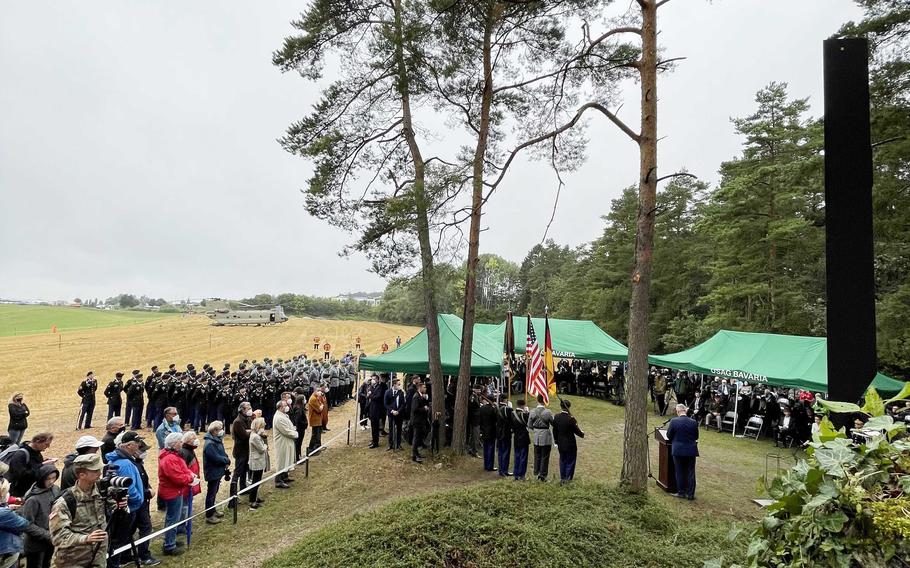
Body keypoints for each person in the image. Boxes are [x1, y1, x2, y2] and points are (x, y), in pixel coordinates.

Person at [49, 453, 126, 568]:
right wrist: (86, 538)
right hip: (72, 561)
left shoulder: (102, 491)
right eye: (95, 471)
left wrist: (121, 506)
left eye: (99, 470)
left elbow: (117, 513)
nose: (100, 474)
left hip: (98, 557)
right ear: (82, 475)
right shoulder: (65, 502)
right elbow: (58, 537)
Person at [105, 431, 147, 568]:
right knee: (118, 542)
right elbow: (129, 487)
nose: (139, 445)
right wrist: (138, 500)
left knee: (118, 540)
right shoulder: (125, 464)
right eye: (137, 443)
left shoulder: (117, 460)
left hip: (121, 506)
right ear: (129, 445)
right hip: (127, 508)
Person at [157, 432, 197, 557]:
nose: (182, 444)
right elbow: (177, 477)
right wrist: (189, 478)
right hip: (172, 492)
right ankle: (169, 545)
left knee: (174, 517)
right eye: (180, 442)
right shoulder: (169, 459)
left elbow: (182, 470)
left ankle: (171, 540)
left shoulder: (174, 455)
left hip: (176, 490)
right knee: (172, 519)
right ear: (174, 444)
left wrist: (190, 474)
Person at [18, 463, 58, 568]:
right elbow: (27, 524)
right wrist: (48, 535)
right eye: (48, 478)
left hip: (51, 542)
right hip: (36, 545)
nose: (51, 481)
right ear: (41, 478)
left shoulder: (55, 489)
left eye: (54, 478)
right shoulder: (32, 499)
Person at [5, 433, 55, 499]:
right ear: (38, 441)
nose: (48, 446)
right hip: (19, 494)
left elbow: (34, 466)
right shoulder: (20, 454)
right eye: (46, 444)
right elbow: (21, 475)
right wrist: (42, 465)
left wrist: (45, 463)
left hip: (31, 491)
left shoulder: (37, 453)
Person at [666, 403, 698, 500]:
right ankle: (690, 494)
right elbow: (696, 436)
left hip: (678, 450)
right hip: (691, 450)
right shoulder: (693, 422)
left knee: (679, 471)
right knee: (690, 472)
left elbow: (669, 435)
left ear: (678, 411)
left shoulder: (674, 421)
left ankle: (681, 492)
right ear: (685, 410)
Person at [202, 421, 230, 523]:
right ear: (214, 431)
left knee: (214, 492)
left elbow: (222, 452)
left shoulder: (216, 440)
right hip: (212, 471)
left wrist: (226, 458)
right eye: (220, 429)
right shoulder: (209, 444)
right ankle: (209, 515)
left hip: (217, 471)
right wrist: (226, 460)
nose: (222, 431)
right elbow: (215, 458)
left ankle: (213, 510)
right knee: (211, 493)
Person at [551, 399, 585, 484]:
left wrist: (556, 441)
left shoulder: (556, 417)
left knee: (562, 460)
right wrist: (582, 434)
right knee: (570, 462)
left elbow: (554, 430)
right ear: (568, 407)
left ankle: (563, 478)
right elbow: (577, 431)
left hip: (561, 443)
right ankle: (568, 479)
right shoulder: (571, 419)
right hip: (570, 444)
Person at [1, 478, 30, 568]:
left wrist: (7, 507)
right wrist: (11, 512)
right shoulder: (4, 513)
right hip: (6, 550)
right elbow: (24, 523)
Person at [229, 402, 252, 508]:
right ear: (242, 410)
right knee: (238, 471)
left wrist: (249, 431)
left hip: (246, 449)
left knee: (244, 470)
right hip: (240, 450)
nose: (250, 409)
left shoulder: (246, 419)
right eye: (248, 408)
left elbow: (249, 431)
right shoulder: (238, 421)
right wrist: (251, 431)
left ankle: (243, 488)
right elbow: (244, 435)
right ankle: (233, 494)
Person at [527, 395, 554, 482]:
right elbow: (553, 423)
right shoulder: (548, 412)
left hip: (536, 436)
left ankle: (536, 472)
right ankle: (542, 475)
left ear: (537, 400)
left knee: (537, 455)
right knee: (545, 456)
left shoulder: (532, 411)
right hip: (545, 435)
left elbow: (529, 425)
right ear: (544, 400)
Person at [272, 401, 298, 489]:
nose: (287, 407)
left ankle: (285, 476)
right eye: (285, 405)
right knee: (282, 460)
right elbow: (285, 431)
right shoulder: (278, 418)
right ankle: (278, 480)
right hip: (282, 442)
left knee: (287, 458)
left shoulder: (284, 415)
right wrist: (295, 433)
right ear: (280, 407)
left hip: (287, 441)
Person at [247, 418, 268, 508]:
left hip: (258, 460)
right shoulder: (255, 437)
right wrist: (266, 446)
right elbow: (262, 449)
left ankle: (255, 497)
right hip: (256, 461)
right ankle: (252, 500)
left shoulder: (255, 435)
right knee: (255, 481)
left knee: (257, 480)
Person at [511, 399, 531, 481]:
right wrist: (527, 412)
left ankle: (516, 474)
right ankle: (522, 475)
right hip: (524, 437)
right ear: (523, 405)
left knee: (517, 456)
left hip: (516, 437)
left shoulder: (512, 414)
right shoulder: (524, 415)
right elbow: (529, 423)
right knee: (523, 457)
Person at [410, 383, 430, 463]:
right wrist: (424, 408)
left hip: (421, 420)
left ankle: (417, 453)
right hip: (417, 421)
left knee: (419, 437)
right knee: (416, 438)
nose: (426, 389)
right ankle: (414, 455)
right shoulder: (416, 396)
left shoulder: (421, 395)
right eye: (424, 387)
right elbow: (415, 409)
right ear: (420, 388)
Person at [384, 379, 405, 451]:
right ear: (394, 385)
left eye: (400, 384)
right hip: (391, 414)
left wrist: (398, 411)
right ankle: (390, 444)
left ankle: (398, 444)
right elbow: (385, 404)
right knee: (391, 429)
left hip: (399, 414)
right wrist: (392, 411)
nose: (400, 386)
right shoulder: (388, 392)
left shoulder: (401, 392)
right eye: (398, 384)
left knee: (399, 429)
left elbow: (403, 404)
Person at [478, 398, 497, 472]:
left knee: (485, 448)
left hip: (484, 430)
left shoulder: (482, 408)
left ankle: (486, 465)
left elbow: (480, 419)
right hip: (491, 430)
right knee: (491, 449)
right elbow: (495, 419)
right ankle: (490, 466)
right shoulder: (493, 409)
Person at [495, 398, 512, 477]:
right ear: (505, 400)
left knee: (500, 452)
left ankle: (501, 470)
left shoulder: (496, 408)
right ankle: (504, 470)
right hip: (506, 433)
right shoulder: (507, 409)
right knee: (505, 452)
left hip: (499, 432)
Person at [306, 389, 325, 456]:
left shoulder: (316, 397)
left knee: (318, 433)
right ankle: (311, 449)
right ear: (315, 391)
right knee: (315, 434)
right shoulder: (313, 399)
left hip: (318, 419)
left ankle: (317, 447)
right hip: (314, 419)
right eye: (318, 391)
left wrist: (321, 406)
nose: (320, 392)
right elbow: (319, 409)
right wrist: (321, 406)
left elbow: (321, 404)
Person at [288, 396, 308, 462]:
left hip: (299, 429)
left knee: (298, 444)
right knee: (298, 443)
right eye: (304, 399)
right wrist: (304, 424)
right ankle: (297, 458)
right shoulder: (299, 409)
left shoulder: (299, 407)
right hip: (299, 429)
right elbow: (297, 420)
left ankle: (298, 456)